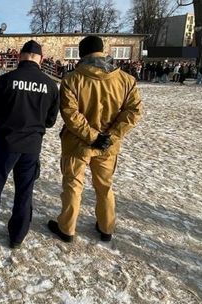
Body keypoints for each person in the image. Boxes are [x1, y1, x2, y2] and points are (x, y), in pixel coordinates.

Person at [48, 35, 142, 243]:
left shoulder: (72, 79)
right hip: (108, 146)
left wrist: (93, 136)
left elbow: (70, 114)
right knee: (105, 186)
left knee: (73, 186)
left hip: (77, 143)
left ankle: (67, 227)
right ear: (103, 51)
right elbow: (133, 112)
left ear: (82, 54)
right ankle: (107, 226)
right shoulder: (126, 80)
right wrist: (111, 135)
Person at [0, 40, 60, 249]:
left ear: (20, 56)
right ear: (41, 58)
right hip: (31, 147)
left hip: (5, 142)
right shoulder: (50, 85)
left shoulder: (5, 80)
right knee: (24, 192)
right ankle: (17, 236)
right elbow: (50, 120)